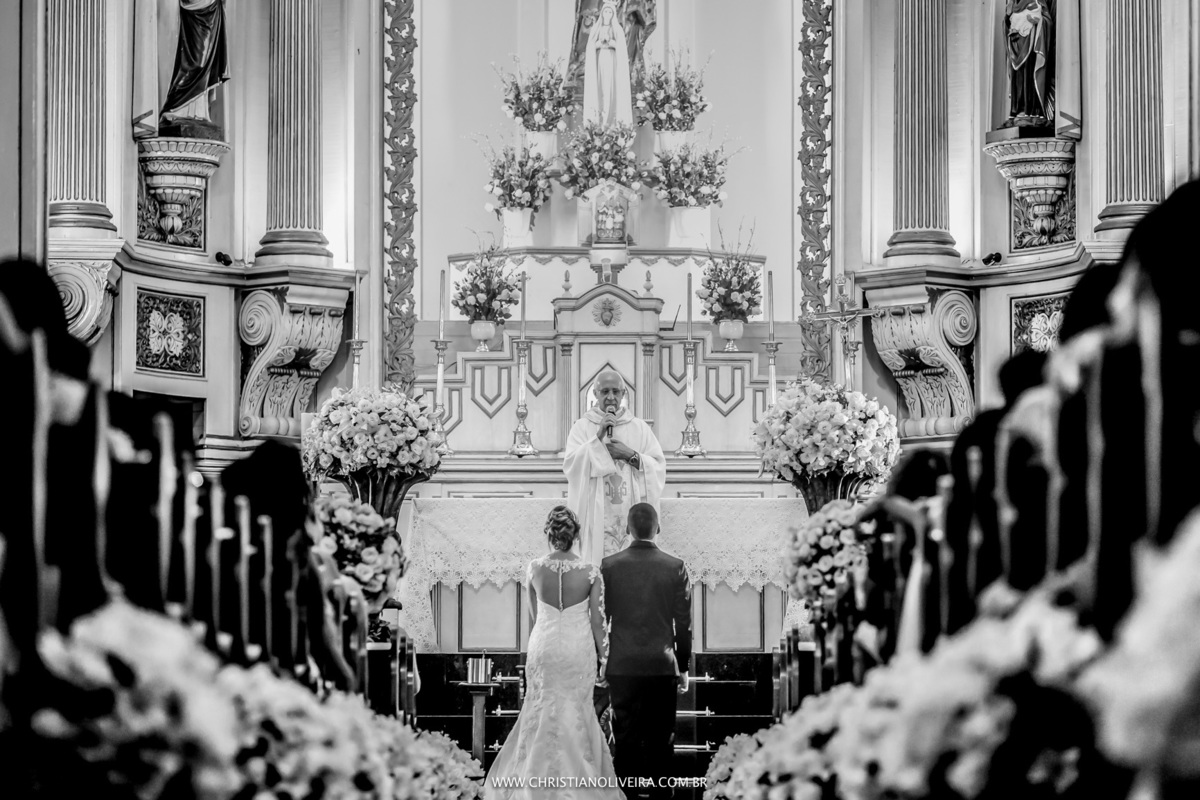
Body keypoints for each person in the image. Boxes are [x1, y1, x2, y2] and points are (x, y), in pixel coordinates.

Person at [485, 506, 620, 799]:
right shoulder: (590, 572)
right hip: (576, 649)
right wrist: (606, 661)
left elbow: (535, 619)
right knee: (577, 710)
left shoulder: (534, 569)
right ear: (576, 535)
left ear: (549, 534)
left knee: (540, 707)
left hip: (543, 647)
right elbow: (598, 621)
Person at [602, 503, 691, 800]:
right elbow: (683, 623)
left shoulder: (610, 565)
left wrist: (601, 661)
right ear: (658, 528)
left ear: (628, 529)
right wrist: (683, 666)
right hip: (661, 665)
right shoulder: (675, 566)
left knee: (624, 740)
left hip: (622, 664)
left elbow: (603, 618)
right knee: (661, 741)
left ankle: (625, 796)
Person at [564, 370, 665, 566]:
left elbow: (658, 466)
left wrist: (630, 455)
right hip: (596, 509)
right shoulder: (582, 427)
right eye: (605, 391)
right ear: (595, 393)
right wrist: (598, 437)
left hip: (631, 507)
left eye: (616, 392)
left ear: (623, 393)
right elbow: (571, 466)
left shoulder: (639, 428)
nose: (611, 397)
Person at [582, 0, 633, 127]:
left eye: (610, 11)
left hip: (612, 60)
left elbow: (622, 49)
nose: (608, 14)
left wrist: (611, 42)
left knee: (610, 88)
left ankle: (610, 121)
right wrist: (599, 44)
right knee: (600, 89)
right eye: (606, 11)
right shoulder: (596, 28)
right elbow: (590, 47)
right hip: (600, 60)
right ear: (602, 13)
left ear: (613, 14)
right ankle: (598, 123)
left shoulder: (617, 29)